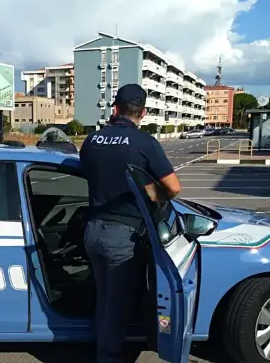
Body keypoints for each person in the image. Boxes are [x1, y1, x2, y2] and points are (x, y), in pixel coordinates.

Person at [79, 83, 181, 363]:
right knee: (117, 306)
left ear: (115, 109)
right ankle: (108, 357)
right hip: (123, 237)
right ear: (143, 112)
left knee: (105, 298)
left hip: (92, 230)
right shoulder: (144, 142)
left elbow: (87, 174)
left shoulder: (92, 140)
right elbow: (173, 188)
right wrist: (150, 192)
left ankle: (103, 348)